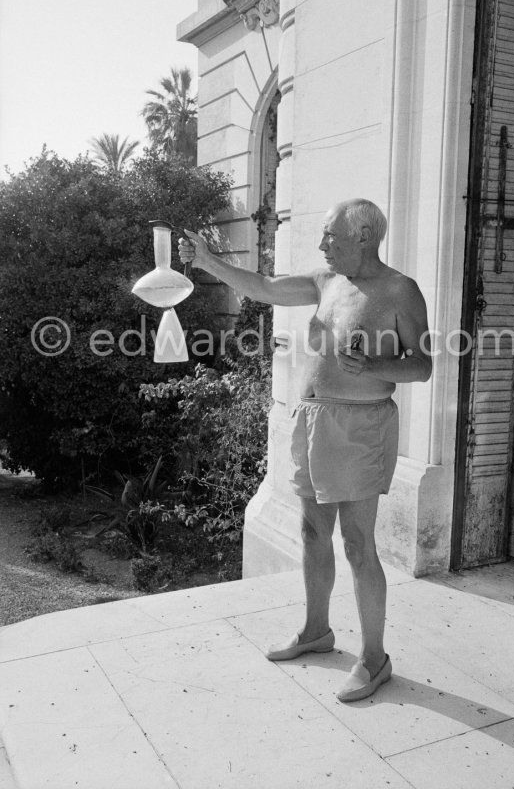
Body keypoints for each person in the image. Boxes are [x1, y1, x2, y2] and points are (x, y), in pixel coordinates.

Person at [178, 198, 431, 702]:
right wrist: (207, 261)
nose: (322, 246)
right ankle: (317, 630)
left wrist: (375, 367)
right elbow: (265, 288)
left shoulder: (400, 290)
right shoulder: (325, 282)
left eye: (330, 237)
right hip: (312, 420)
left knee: (359, 545)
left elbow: (422, 365)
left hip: (360, 427)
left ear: (364, 237)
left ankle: (375, 659)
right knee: (313, 530)